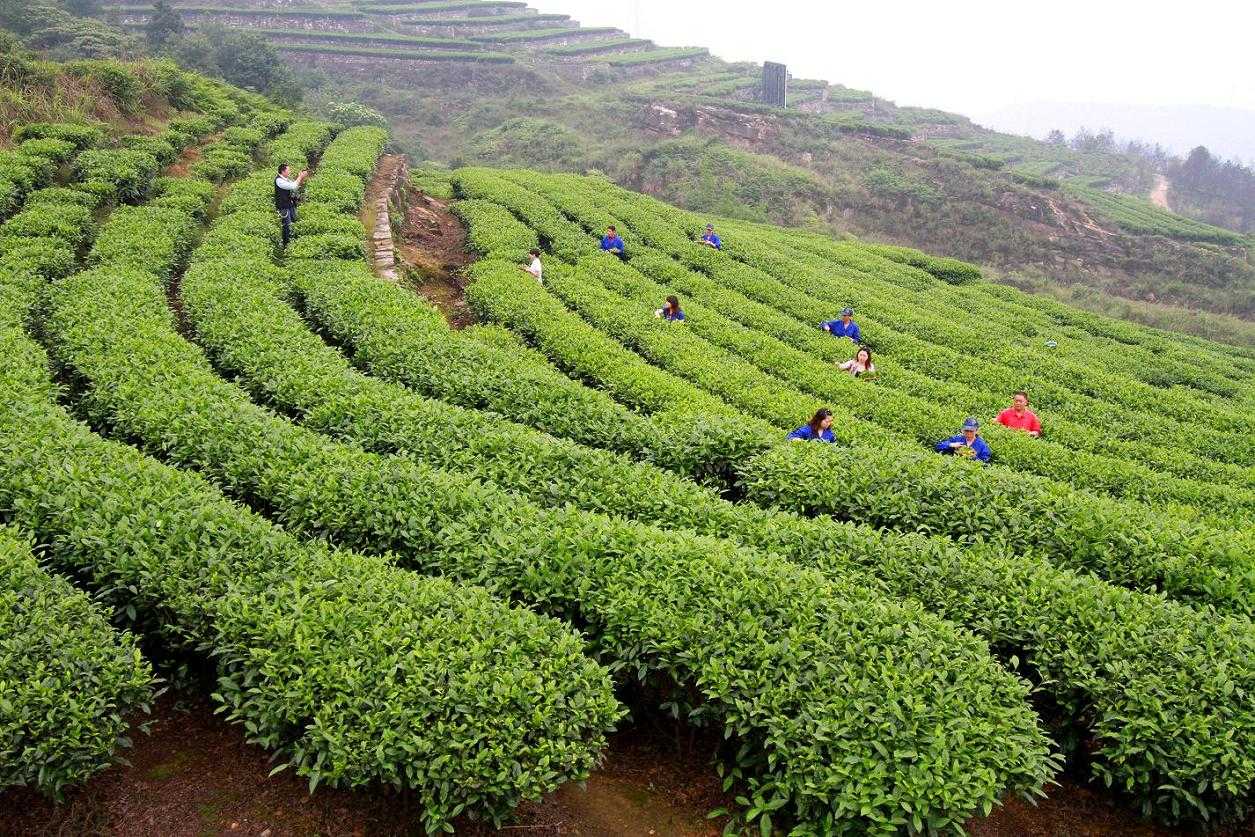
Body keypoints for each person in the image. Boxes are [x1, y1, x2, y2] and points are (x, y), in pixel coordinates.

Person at [274, 163, 309, 248]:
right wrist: (300, 177)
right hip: (284, 207)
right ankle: (286, 245)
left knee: (293, 223)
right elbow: (293, 186)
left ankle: (293, 242)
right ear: (283, 171)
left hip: (290, 205)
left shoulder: (285, 179)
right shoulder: (279, 180)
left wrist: (301, 178)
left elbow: (295, 186)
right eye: (288, 170)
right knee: (287, 226)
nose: (290, 172)